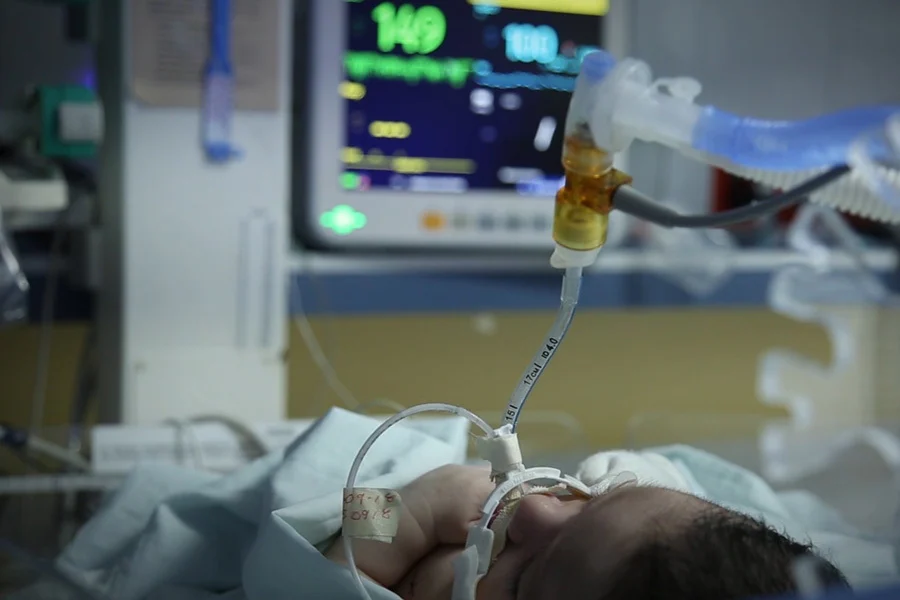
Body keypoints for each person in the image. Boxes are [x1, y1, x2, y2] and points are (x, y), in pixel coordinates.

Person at [326, 456, 851, 600]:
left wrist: (411, 511)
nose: (535, 511)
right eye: (591, 499)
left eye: (524, 581)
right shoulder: (648, 511)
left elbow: (296, 579)